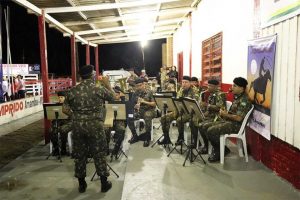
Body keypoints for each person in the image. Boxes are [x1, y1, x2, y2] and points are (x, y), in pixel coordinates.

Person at [63, 65, 115, 193]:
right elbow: (114, 97)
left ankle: (82, 184)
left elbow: (64, 109)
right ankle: (104, 183)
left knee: (80, 155)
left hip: (78, 127)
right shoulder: (98, 88)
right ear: (92, 75)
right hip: (95, 126)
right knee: (99, 153)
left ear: (80, 76)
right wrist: (107, 84)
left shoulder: (72, 91)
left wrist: (77, 116)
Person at [201, 77, 252, 162]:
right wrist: (225, 114)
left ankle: (218, 151)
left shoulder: (244, 100)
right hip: (229, 122)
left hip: (236, 125)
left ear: (241, 88)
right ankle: (222, 149)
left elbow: (239, 118)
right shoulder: (237, 97)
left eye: (235, 86)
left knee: (211, 130)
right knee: (204, 126)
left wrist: (225, 114)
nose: (232, 87)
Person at [158, 76, 199, 145]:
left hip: (190, 113)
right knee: (164, 118)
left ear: (190, 83)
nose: (184, 84)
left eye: (186, 82)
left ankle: (181, 138)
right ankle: (166, 138)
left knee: (180, 120)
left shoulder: (194, 91)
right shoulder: (181, 90)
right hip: (179, 111)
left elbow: (194, 104)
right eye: (183, 82)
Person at [196, 79, 226, 153]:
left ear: (216, 87)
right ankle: (206, 145)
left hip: (218, 117)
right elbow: (209, 109)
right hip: (211, 115)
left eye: (211, 86)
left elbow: (219, 108)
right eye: (208, 85)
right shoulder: (211, 94)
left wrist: (207, 105)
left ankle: (211, 147)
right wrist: (203, 114)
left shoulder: (220, 94)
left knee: (203, 125)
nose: (208, 87)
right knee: (198, 121)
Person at [127, 78, 156, 147]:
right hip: (139, 111)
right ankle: (135, 136)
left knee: (147, 116)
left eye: (140, 85)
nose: (139, 87)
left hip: (150, 110)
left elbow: (154, 104)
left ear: (143, 84)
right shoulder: (135, 93)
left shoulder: (150, 92)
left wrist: (144, 101)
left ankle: (147, 137)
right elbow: (131, 104)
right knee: (129, 117)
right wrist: (135, 106)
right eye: (137, 86)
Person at [49, 91, 72, 156]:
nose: (60, 99)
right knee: (52, 130)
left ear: (65, 98)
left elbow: (72, 116)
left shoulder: (69, 105)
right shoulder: (55, 105)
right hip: (57, 122)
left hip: (67, 123)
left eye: (62, 97)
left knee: (63, 131)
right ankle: (56, 149)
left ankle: (63, 149)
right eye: (59, 97)